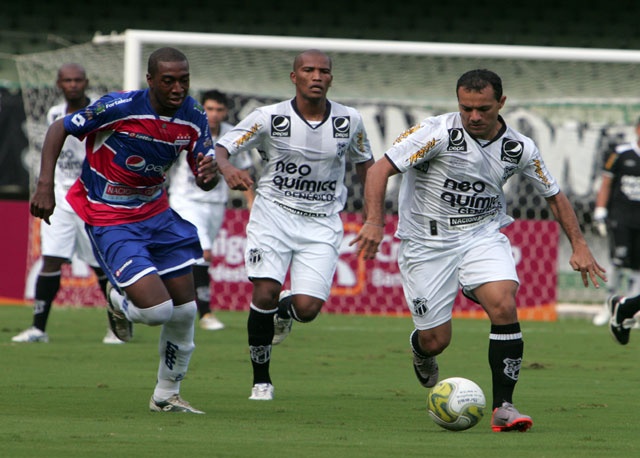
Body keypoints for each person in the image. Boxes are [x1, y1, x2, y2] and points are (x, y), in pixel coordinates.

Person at [351, 69, 606, 432]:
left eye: (483, 109)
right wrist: (375, 221)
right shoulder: (435, 133)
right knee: (436, 340)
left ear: (501, 103)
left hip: (481, 236)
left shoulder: (519, 147)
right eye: (466, 108)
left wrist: (579, 244)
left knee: (503, 303)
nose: (473, 116)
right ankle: (421, 349)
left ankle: (504, 407)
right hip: (426, 243)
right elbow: (379, 171)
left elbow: (554, 195)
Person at [29, 47, 219, 413]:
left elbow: (204, 175)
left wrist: (210, 176)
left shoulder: (194, 115)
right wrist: (44, 185)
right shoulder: (119, 106)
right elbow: (59, 128)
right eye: (168, 81)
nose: (178, 88)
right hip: (110, 215)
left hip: (158, 215)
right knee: (157, 311)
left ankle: (166, 395)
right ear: (150, 80)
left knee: (184, 311)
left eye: (184, 80)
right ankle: (118, 302)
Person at [215, 49, 374, 401]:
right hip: (273, 215)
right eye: (308, 70)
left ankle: (285, 310)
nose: (316, 76)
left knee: (307, 309)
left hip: (321, 222)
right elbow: (222, 148)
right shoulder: (268, 117)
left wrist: (372, 215)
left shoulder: (350, 120)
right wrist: (227, 169)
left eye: (323, 71)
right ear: (294, 77)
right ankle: (261, 380)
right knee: (264, 292)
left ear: (331, 78)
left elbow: (366, 164)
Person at [12, 63, 122, 345]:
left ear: (86, 82)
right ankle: (38, 329)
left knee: (101, 265)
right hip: (60, 198)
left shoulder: (101, 111)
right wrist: (45, 187)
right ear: (59, 84)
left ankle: (118, 327)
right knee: (51, 258)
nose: (73, 84)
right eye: (67, 80)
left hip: (92, 198)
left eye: (77, 80)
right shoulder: (54, 113)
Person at [168, 89, 255, 331]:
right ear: (202, 109)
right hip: (185, 200)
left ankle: (177, 303)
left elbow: (243, 170)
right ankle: (205, 313)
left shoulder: (233, 135)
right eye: (209, 109)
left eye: (219, 109)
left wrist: (251, 202)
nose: (214, 114)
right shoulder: (188, 130)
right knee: (203, 252)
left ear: (225, 112)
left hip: (216, 203)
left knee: (193, 258)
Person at [592, 118, 640, 326]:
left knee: (638, 267)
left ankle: (630, 310)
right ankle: (608, 304)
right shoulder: (621, 153)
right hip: (621, 217)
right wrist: (600, 210)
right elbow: (606, 182)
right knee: (617, 262)